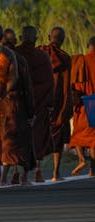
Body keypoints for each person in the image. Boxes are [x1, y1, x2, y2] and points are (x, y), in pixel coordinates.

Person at [0, 22, 35, 185]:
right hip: (9, 102)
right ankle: (21, 177)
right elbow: (16, 81)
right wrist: (30, 111)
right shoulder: (11, 55)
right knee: (17, 140)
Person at [14, 26, 55, 182]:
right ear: (36, 39)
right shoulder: (42, 56)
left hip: (21, 103)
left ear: (20, 37)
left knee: (20, 137)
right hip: (40, 103)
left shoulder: (15, 54)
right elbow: (50, 82)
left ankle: (19, 172)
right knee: (38, 136)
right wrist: (50, 103)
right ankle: (37, 169)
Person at [39, 27, 74, 181]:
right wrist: (67, 105)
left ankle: (38, 171)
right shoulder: (65, 59)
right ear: (63, 40)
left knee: (38, 135)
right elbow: (67, 86)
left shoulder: (40, 53)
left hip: (41, 102)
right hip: (58, 102)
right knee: (57, 137)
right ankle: (55, 173)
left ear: (48, 37)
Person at [69, 37, 95, 176]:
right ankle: (92, 169)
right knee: (93, 139)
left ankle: (82, 159)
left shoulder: (80, 60)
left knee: (79, 134)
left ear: (87, 46)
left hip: (85, 103)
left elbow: (74, 84)